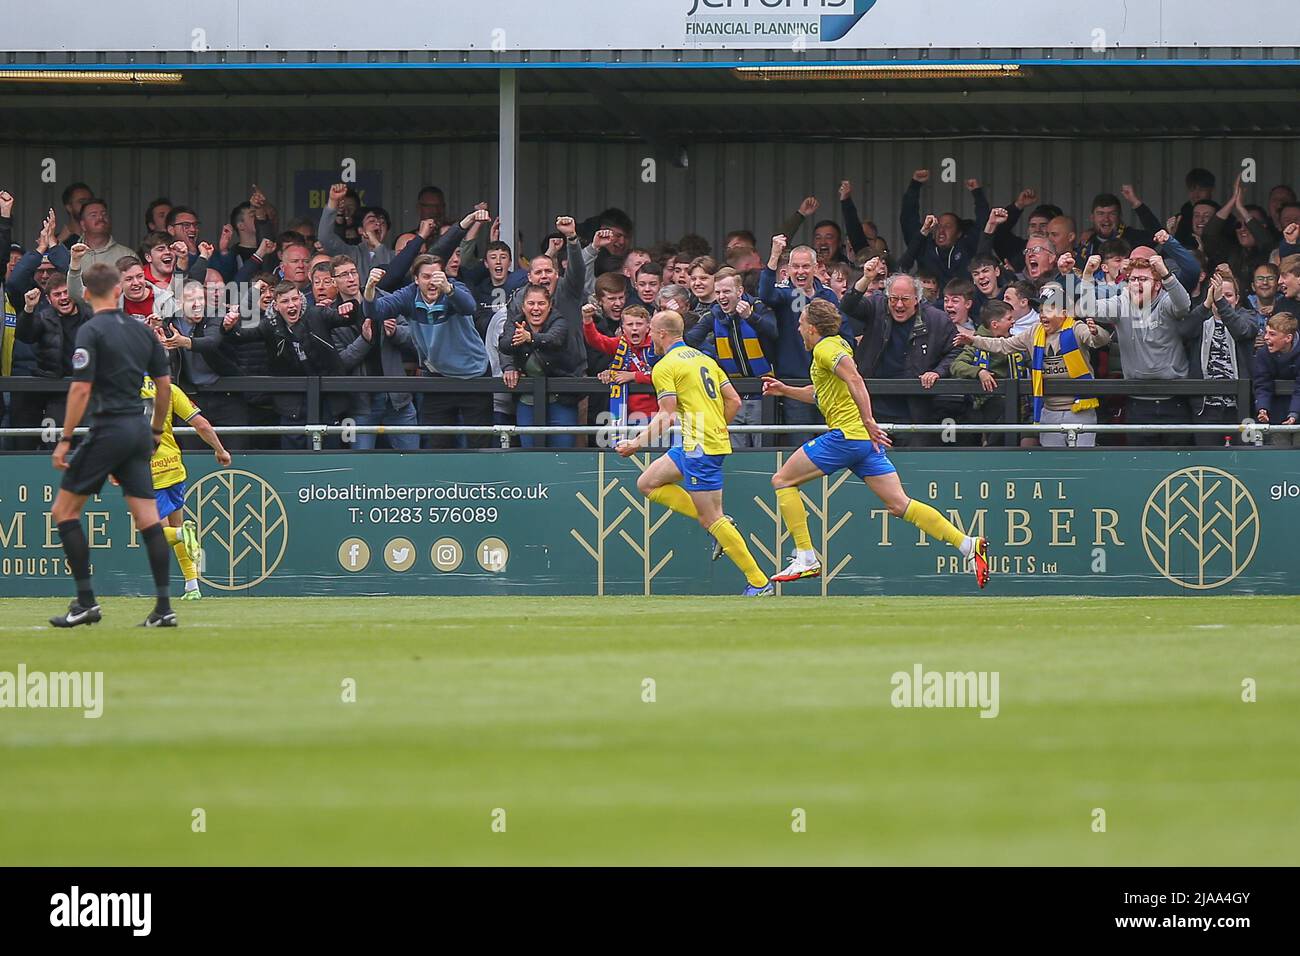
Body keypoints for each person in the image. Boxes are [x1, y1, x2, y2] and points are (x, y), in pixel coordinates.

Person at [762, 299, 989, 587]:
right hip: (863, 443)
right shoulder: (836, 347)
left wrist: (870, 421)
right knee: (899, 504)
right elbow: (821, 394)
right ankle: (968, 544)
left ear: (813, 328)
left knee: (782, 480)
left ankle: (806, 556)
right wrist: (785, 390)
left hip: (847, 437)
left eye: (801, 323)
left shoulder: (825, 348)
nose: (798, 328)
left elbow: (857, 380)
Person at [48, 262, 179, 628]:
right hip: (138, 429)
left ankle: (86, 601)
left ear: (87, 294)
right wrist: (154, 432)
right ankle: (164, 608)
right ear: (119, 290)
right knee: (149, 519)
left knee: (64, 512)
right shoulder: (143, 334)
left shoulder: (90, 331)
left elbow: (81, 388)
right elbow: (164, 386)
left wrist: (66, 439)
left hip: (108, 428)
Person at [615, 310, 773, 596]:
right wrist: (715, 425)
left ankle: (759, 582)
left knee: (711, 517)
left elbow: (665, 416)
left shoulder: (665, 366)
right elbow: (734, 401)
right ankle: (718, 524)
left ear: (662, 334)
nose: (649, 335)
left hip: (700, 447)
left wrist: (636, 443)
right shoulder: (705, 359)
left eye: (651, 330)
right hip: (698, 442)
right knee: (647, 483)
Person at [115, 375, 231, 600]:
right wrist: (220, 449)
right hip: (173, 466)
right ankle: (192, 586)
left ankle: (181, 533)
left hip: (145, 470)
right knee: (176, 525)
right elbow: (201, 424)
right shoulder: (168, 388)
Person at [955, 282, 1111, 448]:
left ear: (1064, 313)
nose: (1043, 315)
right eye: (1042, 310)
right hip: (1049, 412)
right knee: (1053, 464)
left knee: (1082, 463)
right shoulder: (1033, 332)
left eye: (1050, 310)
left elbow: (1099, 340)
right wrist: (974, 340)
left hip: (1080, 411)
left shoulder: (1076, 328)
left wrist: (1095, 332)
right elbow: (1004, 345)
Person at [1254, 313, 1300, 447]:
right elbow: (1262, 384)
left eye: (1272, 334)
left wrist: (1294, 414)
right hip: (1276, 415)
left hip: (1296, 414)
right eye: (1266, 332)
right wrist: (1262, 408)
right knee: (1280, 456)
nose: (1266, 337)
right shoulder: (1263, 354)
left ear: (1288, 338)